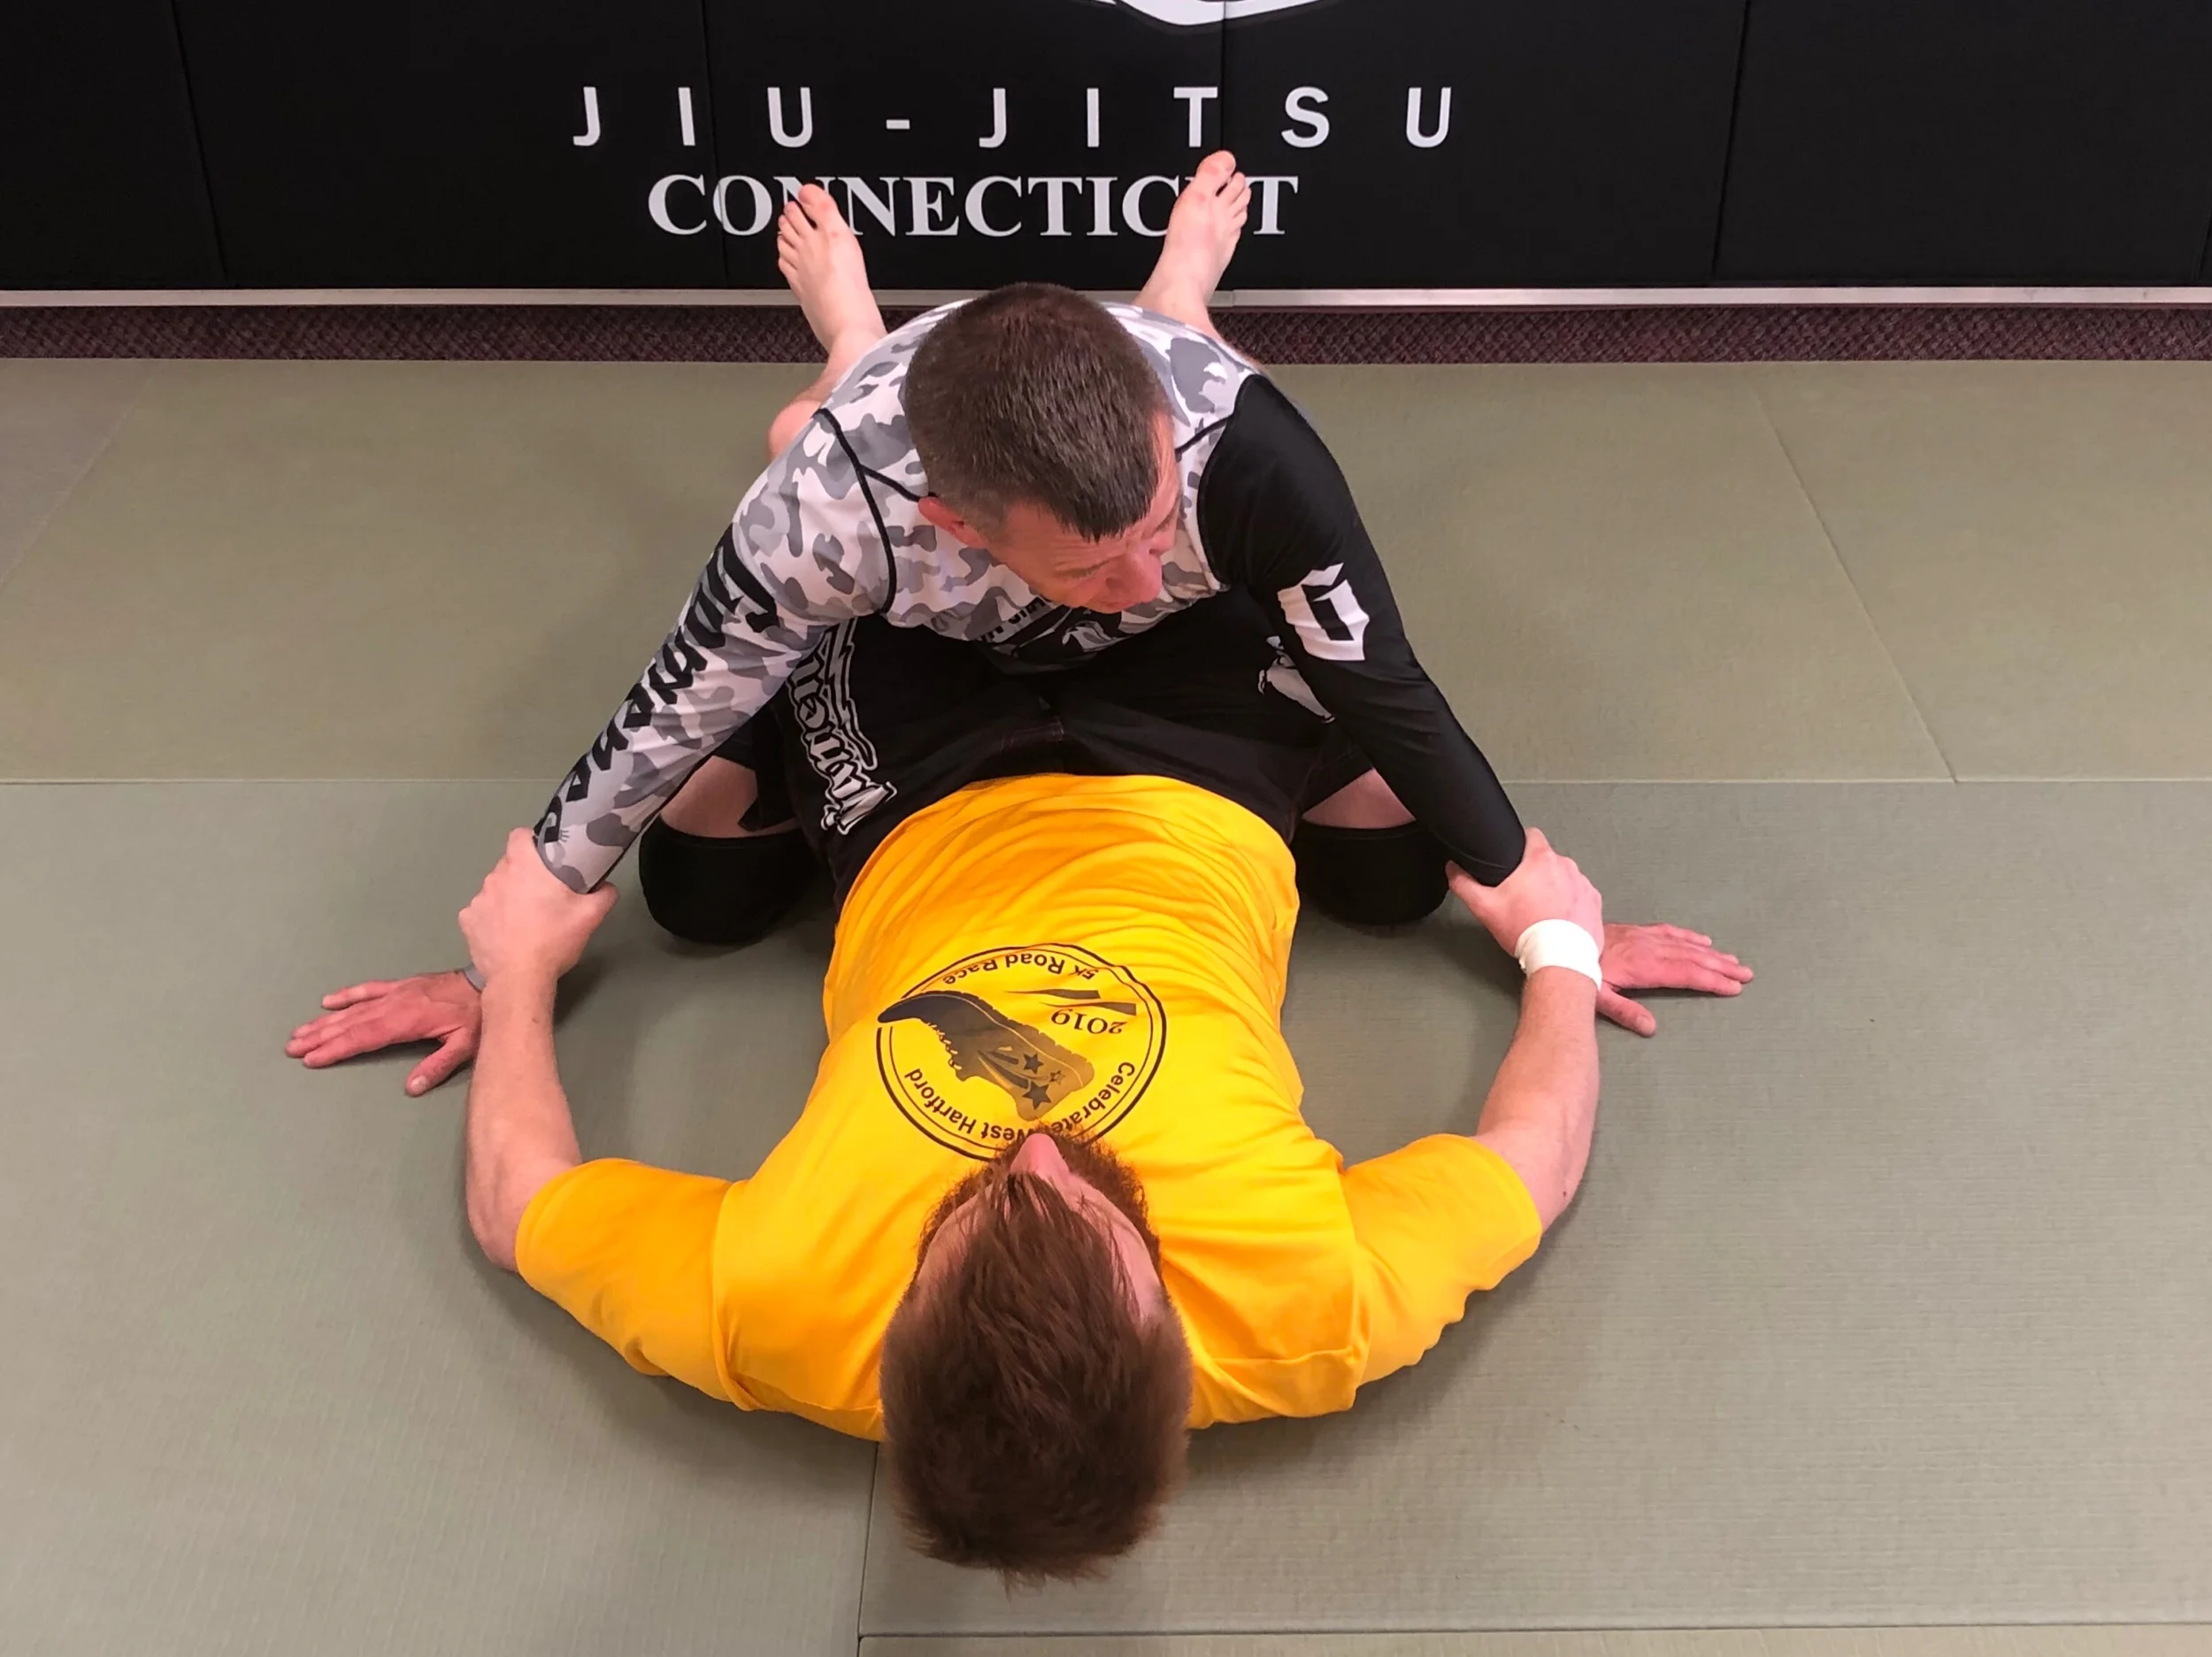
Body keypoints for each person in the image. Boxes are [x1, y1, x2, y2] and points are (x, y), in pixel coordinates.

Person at [291, 153, 1736, 1096]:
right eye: (1102, 559)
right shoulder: (834, 514)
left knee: (1392, 876)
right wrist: (502, 968)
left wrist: (1545, 915)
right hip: (924, 625)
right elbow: (667, 709)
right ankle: (854, 344)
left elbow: (1383, 678)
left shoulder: (1244, 457)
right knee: (702, 897)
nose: (1143, 568)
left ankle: (1176, 300)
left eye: (1155, 523)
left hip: (1185, 588)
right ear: (960, 525)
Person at [414, 582, 1751, 1584]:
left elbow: (514, 1202)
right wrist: (1560, 951)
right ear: (1174, 1335)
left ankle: (852, 388)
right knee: (1396, 866)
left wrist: (515, 976)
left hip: (914, 800)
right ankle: (1185, 352)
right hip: (1207, 778)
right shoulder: (1313, 1305)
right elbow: (1536, 1160)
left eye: (972, 1214)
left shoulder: (780, 1309)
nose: (1041, 1152)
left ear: (890, 1341)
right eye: (1101, 1220)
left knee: (707, 869)